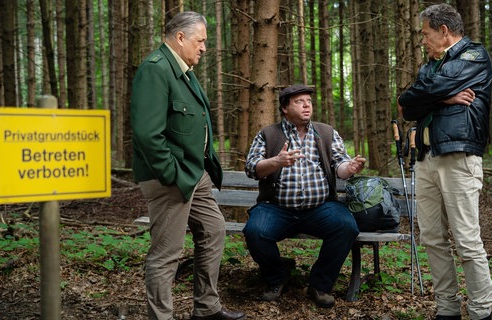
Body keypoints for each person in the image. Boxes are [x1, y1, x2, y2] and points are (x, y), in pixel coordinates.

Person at [131, 11, 245, 320]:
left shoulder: (182, 70)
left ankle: (206, 308)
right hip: (172, 176)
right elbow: (147, 133)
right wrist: (171, 174)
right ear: (180, 38)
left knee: (213, 229)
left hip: (196, 173)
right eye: (201, 40)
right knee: (166, 254)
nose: (204, 48)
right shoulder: (156, 70)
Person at [397, 4, 492, 320]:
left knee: (466, 239)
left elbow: (426, 91)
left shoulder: (473, 56)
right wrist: (444, 97)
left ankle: (481, 312)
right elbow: (407, 105)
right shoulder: (429, 66)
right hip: (426, 158)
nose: (422, 41)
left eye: (425, 34)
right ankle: (448, 311)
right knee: (432, 238)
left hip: (458, 156)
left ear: (443, 30)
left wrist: (432, 95)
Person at [242, 84, 365, 308]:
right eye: (299, 101)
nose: (307, 105)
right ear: (285, 108)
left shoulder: (326, 132)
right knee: (255, 231)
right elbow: (251, 168)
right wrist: (276, 162)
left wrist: (351, 168)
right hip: (276, 207)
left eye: (309, 101)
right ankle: (278, 277)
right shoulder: (268, 134)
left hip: (320, 208)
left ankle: (320, 285)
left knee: (346, 226)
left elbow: (340, 166)